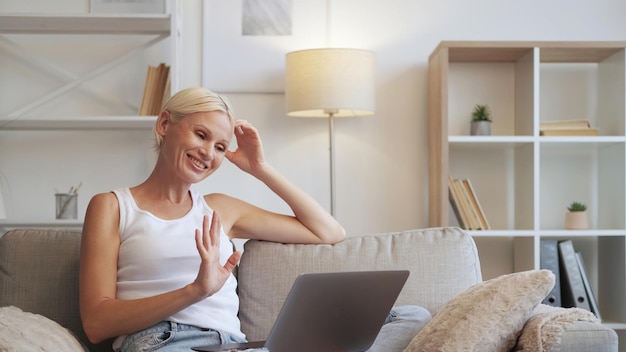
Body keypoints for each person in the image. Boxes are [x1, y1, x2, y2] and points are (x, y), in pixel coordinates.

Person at [79, 87, 346, 352]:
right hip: (161, 342)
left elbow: (328, 232)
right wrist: (195, 291)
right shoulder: (113, 206)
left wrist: (260, 168)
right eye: (200, 135)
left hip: (232, 345)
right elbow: (96, 324)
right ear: (164, 124)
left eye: (220, 147)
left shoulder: (220, 208)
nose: (208, 153)